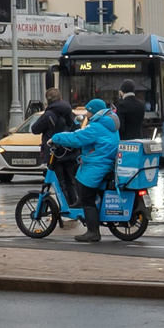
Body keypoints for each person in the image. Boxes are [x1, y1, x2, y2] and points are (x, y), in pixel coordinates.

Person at [49, 96, 120, 242]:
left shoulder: (96, 127)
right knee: (78, 172)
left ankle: (93, 232)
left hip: (98, 165)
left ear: (94, 112)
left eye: (88, 111)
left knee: (88, 197)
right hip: (104, 161)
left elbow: (76, 138)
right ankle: (82, 204)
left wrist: (56, 138)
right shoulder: (109, 123)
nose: (86, 114)